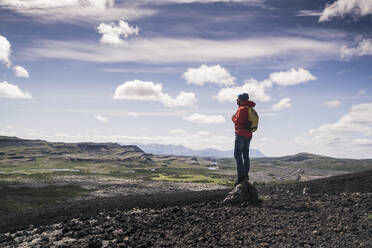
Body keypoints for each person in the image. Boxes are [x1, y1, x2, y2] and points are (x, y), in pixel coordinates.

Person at [232, 93, 256, 186]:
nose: (236, 100)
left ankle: (240, 177)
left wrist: (233, 118)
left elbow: (238, 121)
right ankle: (245, 175)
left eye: (238, 99)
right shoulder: (250, 108)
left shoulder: (242, 109)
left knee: (237, 155)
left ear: (241, 99)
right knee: (245, 155)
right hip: (249, 135)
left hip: (240, 134)